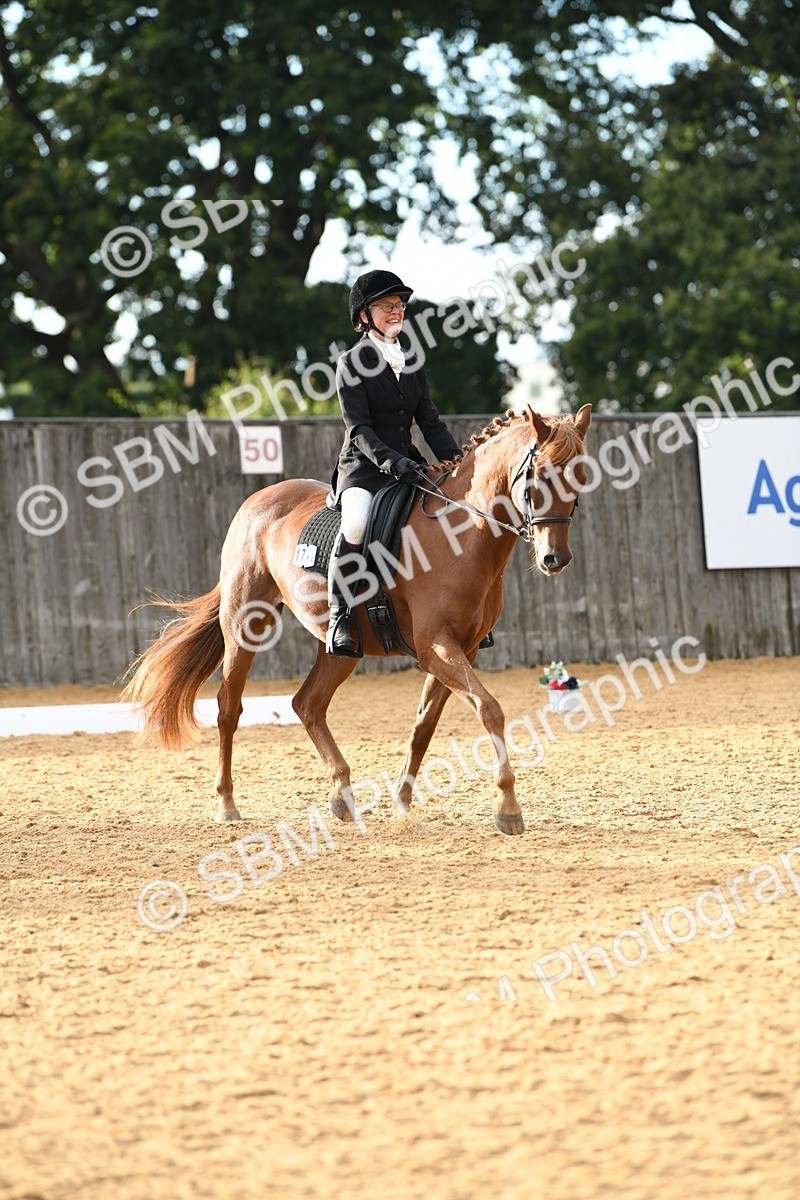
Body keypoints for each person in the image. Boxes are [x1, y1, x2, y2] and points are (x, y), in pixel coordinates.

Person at [326, 269, 461, 656]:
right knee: (355, 524)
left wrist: (457, 464)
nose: (396, 311)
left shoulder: (413, 360)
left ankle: (457, 612)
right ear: (364, 316)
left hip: (409, 465)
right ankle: (340, 614)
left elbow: (430, 422)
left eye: (399, 305)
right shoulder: (351, 362)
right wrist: (391, 462)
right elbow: (359, 429)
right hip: (364, 469)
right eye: (386, 305)